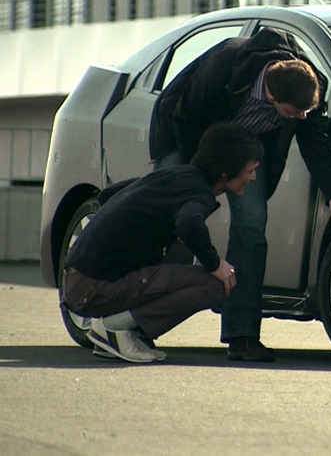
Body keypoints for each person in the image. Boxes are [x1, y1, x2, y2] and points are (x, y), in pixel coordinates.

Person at [149, 27, 331, 363]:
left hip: (248, 146)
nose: (301, 118)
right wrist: (200, 177)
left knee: (252, 227)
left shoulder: (309, 88)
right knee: (168, 220)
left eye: (305, 112)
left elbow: (316, 145)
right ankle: (130, 316)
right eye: (294, 114)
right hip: (189, 135)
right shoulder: (227, 65)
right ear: (270, 95)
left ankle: (243, 335)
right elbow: (186, 116)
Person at [62, 123, 264, 363]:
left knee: (182, 248)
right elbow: (190, 224)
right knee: (216, 285)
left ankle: (119, 329)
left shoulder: (176, 175)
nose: (253, 177)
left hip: (79, 279)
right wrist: (215, 264)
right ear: (225, 173)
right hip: (91, 290)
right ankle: (115, 327)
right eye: (250, 170)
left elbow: (109, 195)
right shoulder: (200, 194)